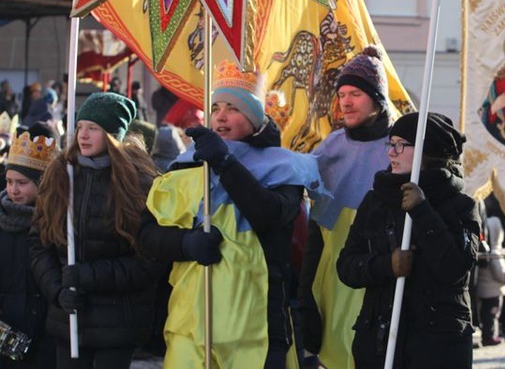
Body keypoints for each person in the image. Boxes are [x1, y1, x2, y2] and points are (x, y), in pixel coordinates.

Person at [138, 59, 326, 368]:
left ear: (254, 117)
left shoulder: (284, 168)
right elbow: (146, 235)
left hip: (256, 327)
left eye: (233, 108)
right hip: (193, 325)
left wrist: (225, 164)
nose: (221, 116)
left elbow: (269, 216)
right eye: (216, 108)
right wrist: (186, 244)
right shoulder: (186, 167)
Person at [28, 92, 164, 369]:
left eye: (94, 128)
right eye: (80, 127)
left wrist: (87, 276)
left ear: (113, 134)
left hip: (118, 323)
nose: (83, 135)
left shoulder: (140, 184)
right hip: (68, 320)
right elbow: (39, 243)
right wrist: (56, 290)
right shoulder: (59, 175)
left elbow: (149, 260)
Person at [337, 112, 480, 369]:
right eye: (391, 144)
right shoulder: (375, 200)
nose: (392, 152)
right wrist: (385, 265)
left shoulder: (462, 205)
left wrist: (423, 211)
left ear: (428, 151)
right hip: (379, 348)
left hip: (437, 351)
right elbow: (346, 266)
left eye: (401, 144)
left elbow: (455, 269)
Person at [297, 45, 393, 369]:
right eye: (341, 94)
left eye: (355, 93)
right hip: (334, 284)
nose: (346, 102)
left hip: (380, 282)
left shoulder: (401, 149)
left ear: (377, 99)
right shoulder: (330, 150)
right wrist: (306, 295)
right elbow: (317, 229)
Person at [0, 124, 58, 368]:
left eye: (22, 183)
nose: (13, 189)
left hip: (43, 329)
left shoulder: (54, 220)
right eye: (9, 181)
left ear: (41, 183)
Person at [475, 191, 505, 347]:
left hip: (484, 288)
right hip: (493, 290)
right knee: (492, 314)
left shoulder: (486, 252)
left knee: (488, 314)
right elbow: (500, 273)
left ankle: (491, 334)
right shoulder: (494, 254)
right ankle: (490, 336)